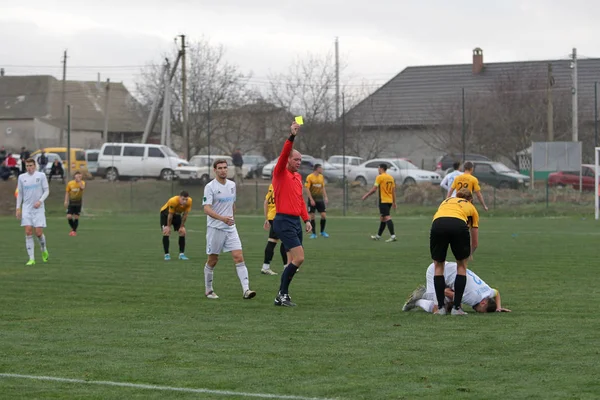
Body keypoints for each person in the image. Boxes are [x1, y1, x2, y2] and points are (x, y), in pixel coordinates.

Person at [271, 121, 312, 307]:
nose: (299, 162)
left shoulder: (297, 177)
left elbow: (300, 200)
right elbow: (284, 153)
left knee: (293, 261)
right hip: (283, 221)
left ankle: (281, 295)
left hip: (295, 222)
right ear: (288, 160)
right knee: (299, 258)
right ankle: (282, 294)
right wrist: (292, 135)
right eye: (296, 159)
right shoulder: (280, 173)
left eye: (300, 160)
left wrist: (306, 219)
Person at [202, 159, 256, 300]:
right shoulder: (210, 187)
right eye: (220, 168)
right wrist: (222, 218)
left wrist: (231, 217)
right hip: (215, 228)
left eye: (225, 167)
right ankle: (208, 290)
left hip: (230, 228)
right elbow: (206, 208)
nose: (223, 170)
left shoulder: (232, 185)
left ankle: (246, 290)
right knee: (213, 260)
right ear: (215, 170)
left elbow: (232, 204)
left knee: (238, 257)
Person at [430, 188, 480, 315]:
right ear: (470, 200)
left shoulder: (446, 201)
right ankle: (457, 308)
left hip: (437, 224)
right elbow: (474, 243)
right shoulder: (471, 207)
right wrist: (469, 254)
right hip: (458, 225)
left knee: (438, 266)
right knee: (461, 266)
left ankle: (440, 308)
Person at [402, 262, 511, 314]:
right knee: (439, 309)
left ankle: (424, 296)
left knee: (450, 306)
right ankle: (419, 299)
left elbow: (497, 292)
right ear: (483, 303)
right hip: (436, 271)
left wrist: (498, 308)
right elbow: (444, 292)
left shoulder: (487, 292)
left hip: (448, 269)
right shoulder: (473, 299)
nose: (478, 312)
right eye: (481, 311)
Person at [15, 158, 50, 265]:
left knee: (38, 233)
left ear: (35, 166)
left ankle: (44, 250)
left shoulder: (41, 176)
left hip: (38, 208)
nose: (29, 168)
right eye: (27, 166)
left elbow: (47, 190)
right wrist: (18, 208)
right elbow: (20, 193)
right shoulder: (21, 177)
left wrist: (40, 201)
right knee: (28, 231)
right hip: (27, 208)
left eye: (31, 165)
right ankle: (31, 259)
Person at [361, 163, 397, 242]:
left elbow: (374, 189)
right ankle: (378, 236)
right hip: (389, 200)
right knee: (383, 218)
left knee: (387, 217)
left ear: (381, 168)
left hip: (383, 200)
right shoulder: (391, 178)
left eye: (378, 168)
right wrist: (394, 202)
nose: (378, 170)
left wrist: (366, 195)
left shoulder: (380, 177)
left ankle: (393, 236)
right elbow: (393, 191)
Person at [261, 183, 287, 275]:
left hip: (272, 216)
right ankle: (286, 266)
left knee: (273, 241)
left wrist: (266, 218)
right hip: (279, 217)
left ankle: (266, 266)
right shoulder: (282, 185)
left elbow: (266, 202)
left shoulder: (272, 185)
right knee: (284, 241)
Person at [160, 191, 192, 261]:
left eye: (186, 199)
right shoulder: (173, 201)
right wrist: (168, 226)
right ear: (179, 197)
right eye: (183, 199)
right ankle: (167, 255)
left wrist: (181, 226)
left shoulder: (189, 201)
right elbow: (170, 215)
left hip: (177, 215)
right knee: (166, 231)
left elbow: (185, 215)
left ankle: (181, 254)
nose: (184, 201)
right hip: (165, 214)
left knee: (183, 231)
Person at [304, 163, 329, 239]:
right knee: (312, 216)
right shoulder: (310, 177)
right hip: (312, 199)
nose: (321, 170)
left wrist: (326, 197)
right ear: (317, 169)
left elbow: (323, 188)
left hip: (320, 199)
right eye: (320, 168)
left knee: (323, 215)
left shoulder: (321, 177)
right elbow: (307, 188)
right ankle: (314, 233)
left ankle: (322, 232)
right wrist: (311, 199)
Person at [64, 171, 86, 236]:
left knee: (76, 217)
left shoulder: (82, 182)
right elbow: (67, 192)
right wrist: (66, 201)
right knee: (69, 216)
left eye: (80, 176)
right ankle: (74, 229)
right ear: (74, 176)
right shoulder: (70, 183)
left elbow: (82, 188)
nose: (79, 177)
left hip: (78, 202)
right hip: (72, 202)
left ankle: (73, 231)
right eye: (77, 176)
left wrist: (79, 181)